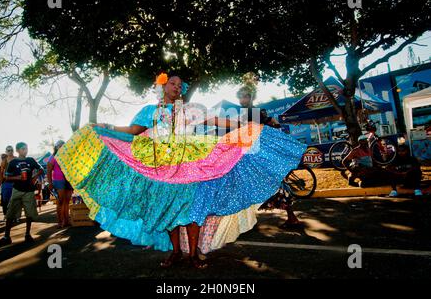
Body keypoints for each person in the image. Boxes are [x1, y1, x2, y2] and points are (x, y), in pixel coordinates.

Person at [55, 73, 306, 269]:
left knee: (192, 208)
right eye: (172, 83)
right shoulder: (149, 112)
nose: (177, 86)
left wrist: (242, 123)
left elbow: (214, 121)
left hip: (189, 162)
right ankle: (175, 252)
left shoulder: (189, 109)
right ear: (163, 86)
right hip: (159, 165)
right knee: (169, 208)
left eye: (180, 84)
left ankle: (193, 254)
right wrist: (106, 126)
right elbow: (132, 132)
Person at [236, 79, 300, 227]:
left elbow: (252, 131)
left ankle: (291, 217)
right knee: (255, 185)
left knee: (263, 185)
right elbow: (271, 123)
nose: (241, 99)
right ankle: (290, 217)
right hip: (254, 154)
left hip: (256, 155)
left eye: (244, 96)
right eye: (240, 97)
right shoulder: (252, 112)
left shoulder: (251, 112)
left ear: (250, 98)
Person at [0, 142, 44, 247]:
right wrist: (18, 177)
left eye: (26, 148)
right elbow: (7, 177)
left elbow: (41, 169)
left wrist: (34, 178)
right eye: (23, 149)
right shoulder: (13, 162)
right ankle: (7, 237)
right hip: (17, 190)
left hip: (29, 190)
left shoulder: (30, 160)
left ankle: (27, 234)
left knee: (29, 214)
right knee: (10, 213)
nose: (25, 150)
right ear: (17, 150)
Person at [47, 140, 73, 228]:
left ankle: (67, 221)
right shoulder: (53, 157)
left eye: (63, 145)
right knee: (60, 202)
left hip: (68, 180)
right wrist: (50, 183)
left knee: (67, 201)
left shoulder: (68, 155)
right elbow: (48, 171)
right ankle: (60, 221)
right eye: (59, 146)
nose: (61, 147)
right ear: (56, 147)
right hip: (58, 180)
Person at [0, 145, 16, 216]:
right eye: (8, 150)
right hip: (6, 183)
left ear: (13, 151)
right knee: (6, 200)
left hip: (16, 182)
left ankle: (15, 216)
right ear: (6, 151)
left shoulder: (16, 159)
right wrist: (1, 182)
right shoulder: (4, 161)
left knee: (15, 200)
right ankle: (6, 215)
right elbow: (1, 172)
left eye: (11, 150)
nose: (10, 152)